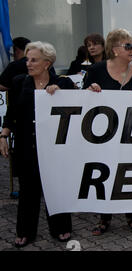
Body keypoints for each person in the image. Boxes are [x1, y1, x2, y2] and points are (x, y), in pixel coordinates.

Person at [0, 41, 74, 248]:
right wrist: (3, 136)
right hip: (26, 146)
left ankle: (60, 227)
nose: (28, 64)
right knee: (27, 191)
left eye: (34, 60)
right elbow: (11, 113)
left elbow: (78, 107)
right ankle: (25, 231)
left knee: (56, 188)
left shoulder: (63, 83)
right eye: (27, 59)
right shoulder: (18, 82)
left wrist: (59, 93)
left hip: (54, 148)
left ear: (47, 63)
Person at [83, 28, 132, 235]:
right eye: (128, 46)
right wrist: (89, 91)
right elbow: (81, 100)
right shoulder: (96, 71)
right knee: (106, 173)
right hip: (105, 134)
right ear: (114, 50)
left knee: (129, 173)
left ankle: (131, 215)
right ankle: (104, 217)